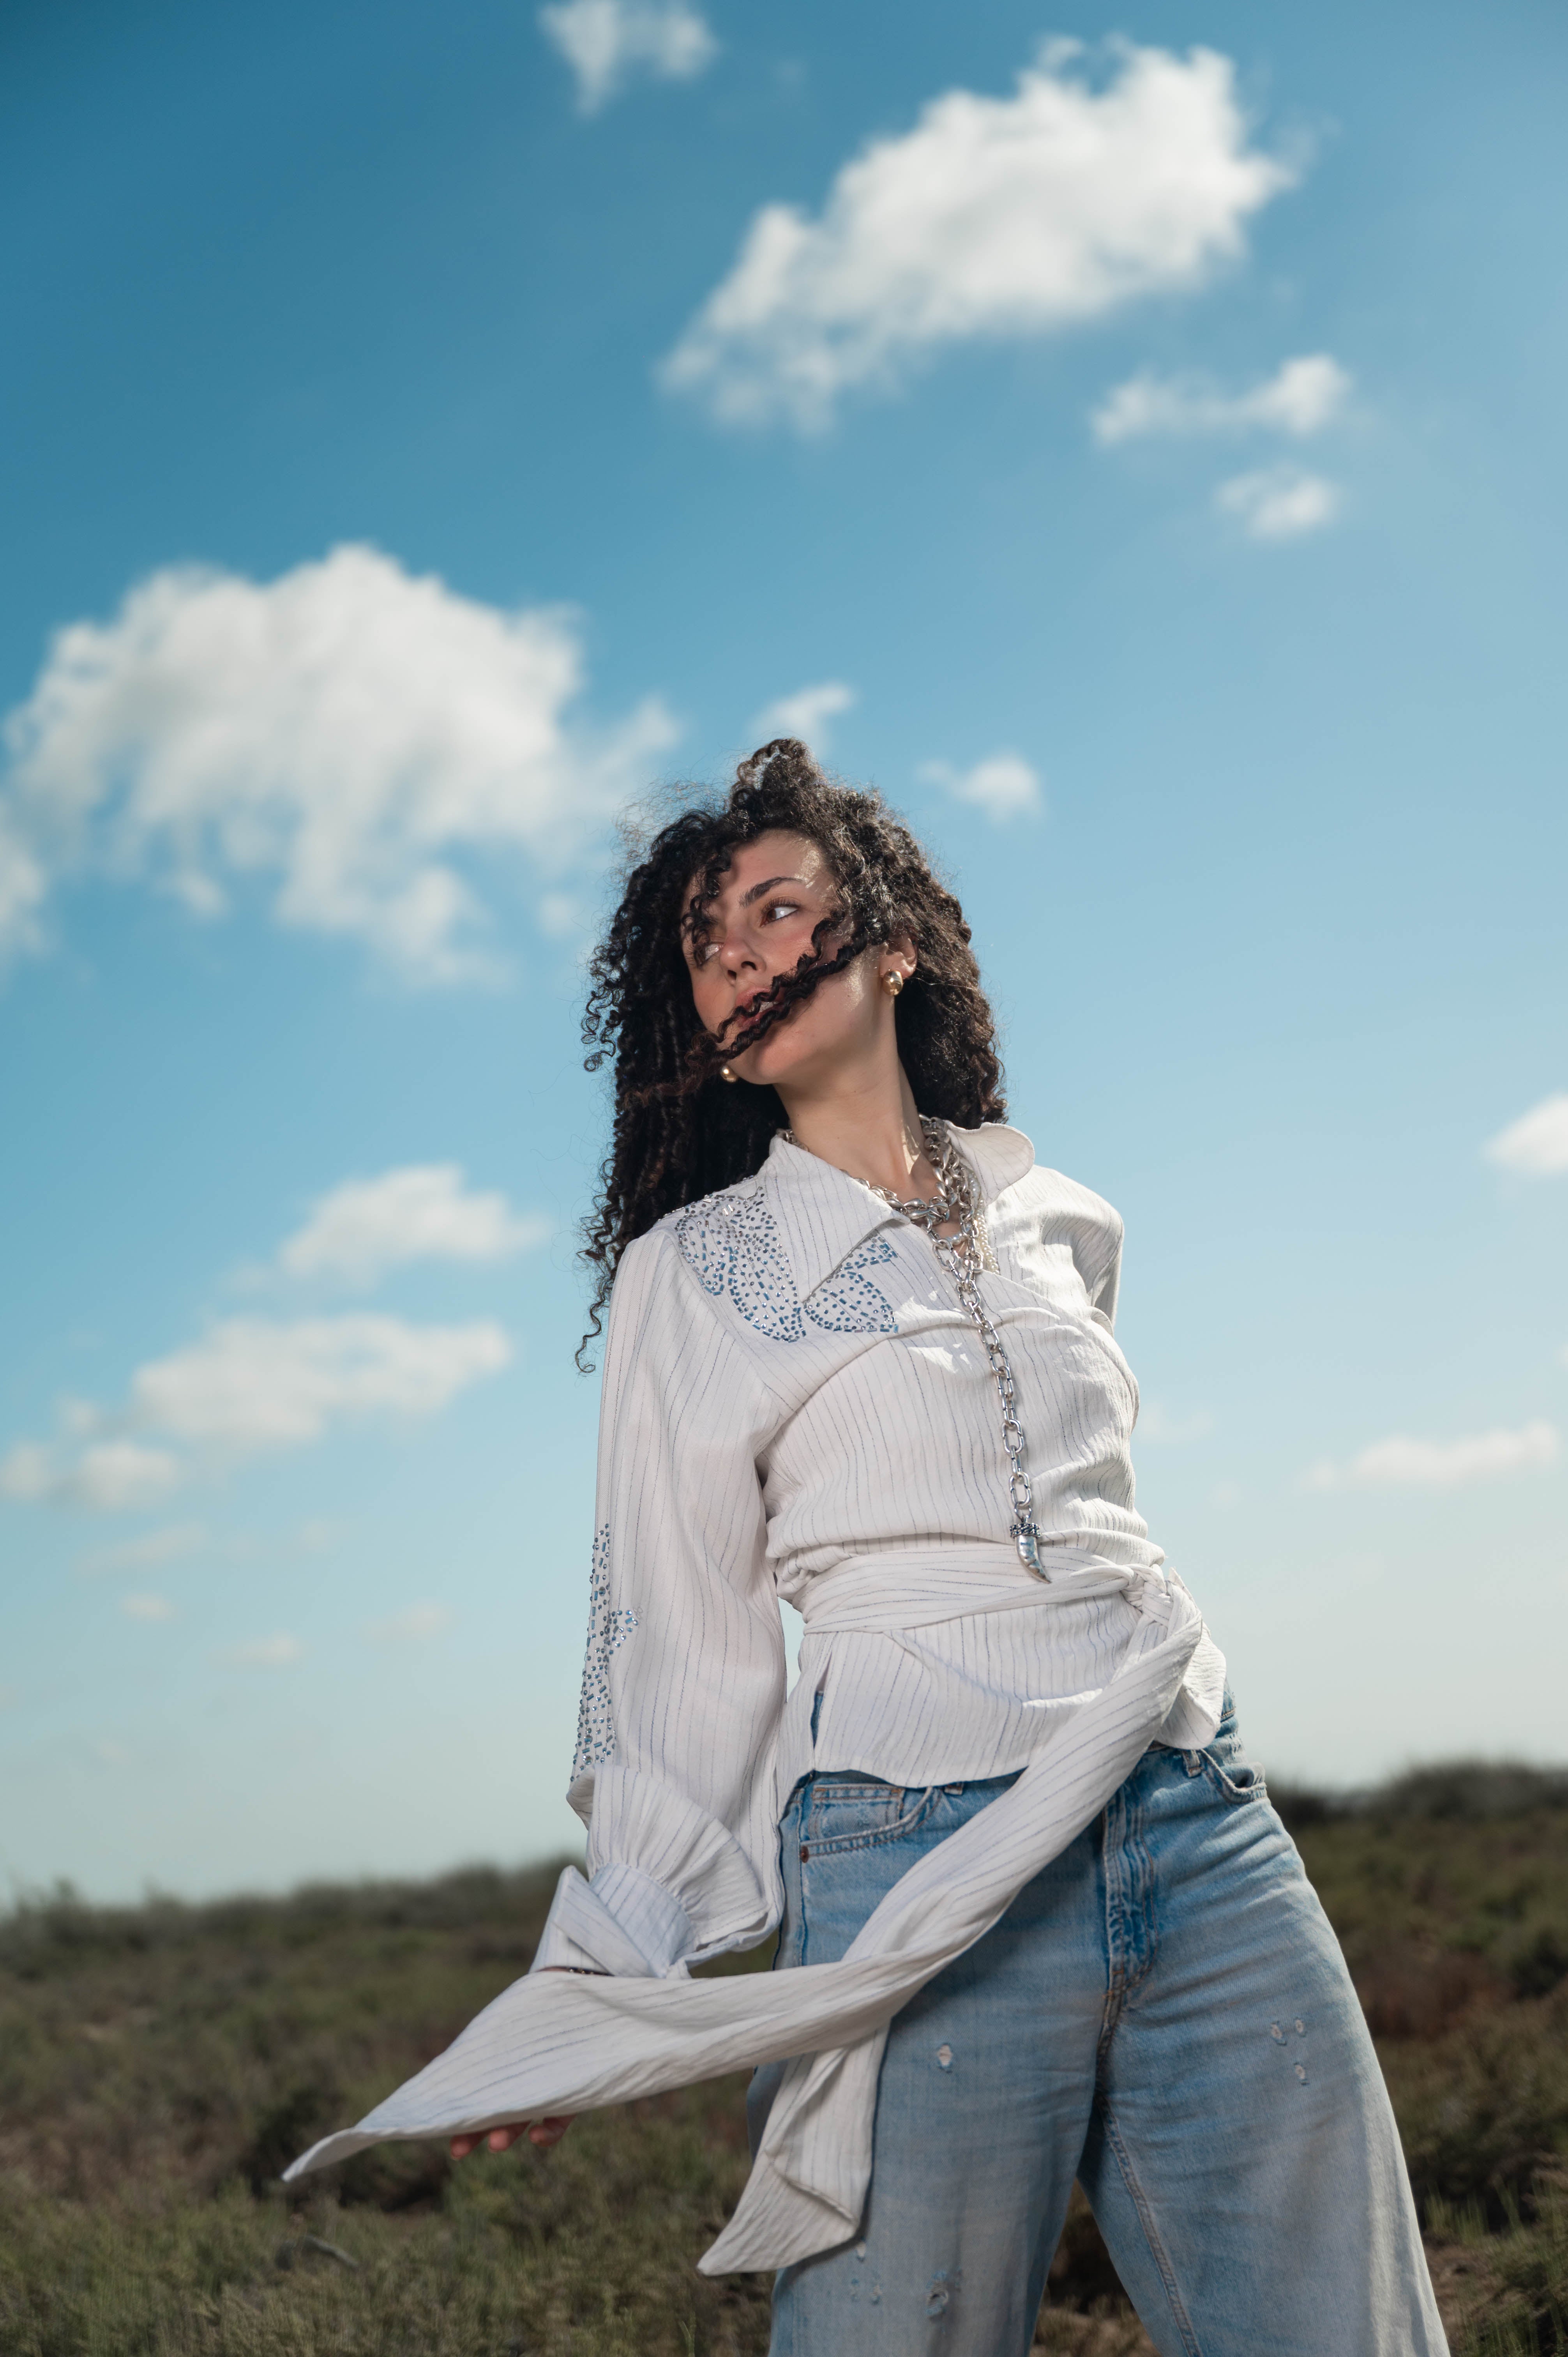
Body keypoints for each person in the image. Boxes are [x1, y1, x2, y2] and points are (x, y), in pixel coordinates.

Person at [447, 736, 1445, 2354]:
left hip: (1196, 1817)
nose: (745, 958)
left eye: (779, 910)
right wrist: (602, 1972)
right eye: (709, 951)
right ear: (703, 1036)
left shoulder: (1062, 1215)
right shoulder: (688, 1277)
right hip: (910, 1858)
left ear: (891, 942)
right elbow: (679, 1641)